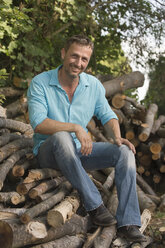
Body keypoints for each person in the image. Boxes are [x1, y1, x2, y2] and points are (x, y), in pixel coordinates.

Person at [27, 34, 146, 242]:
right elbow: (38, 123)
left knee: (124, 152)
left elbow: (108, 115)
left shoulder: (93, 86)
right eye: (74, 56)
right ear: (64, 54)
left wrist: (118, 137)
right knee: (63, 136)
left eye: (84, 59)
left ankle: (128, 223)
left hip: (78, 152)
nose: (78, 63)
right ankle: (96, 205)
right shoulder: (40, 83)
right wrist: (74, 127)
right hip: (49, 152)